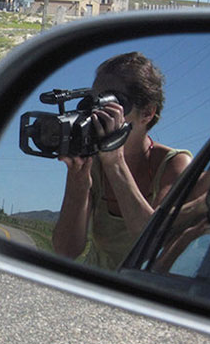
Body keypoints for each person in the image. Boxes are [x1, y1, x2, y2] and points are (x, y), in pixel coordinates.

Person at [52, 52, 192, 270]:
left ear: (147, 113)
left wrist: (115, 163)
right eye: (95, 100)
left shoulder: (174, 163)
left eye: (112, 102)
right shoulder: (94, 162)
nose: (98, 111)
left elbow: (152, 241)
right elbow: (66, 251)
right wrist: (78, 181)